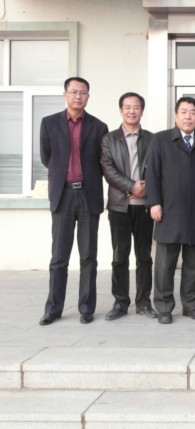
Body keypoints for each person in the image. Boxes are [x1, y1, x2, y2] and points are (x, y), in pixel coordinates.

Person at [39, 77, 108, 325]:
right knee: (59, 256)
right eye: (74, 92)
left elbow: (102, 162)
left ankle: (86, 308)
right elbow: (47, 158)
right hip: (63, 195)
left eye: (83, 92)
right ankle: (53, 308)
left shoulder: (99, 127)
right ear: (65, 95)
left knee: (88, 256)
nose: (78, 96)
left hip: (89, 195)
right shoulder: (49, 123)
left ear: (88, 96)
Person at [145, 97, 195, 324]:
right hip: (169, 211)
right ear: (175, 115)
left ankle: (191, 305)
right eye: (183, 112)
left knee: (194, 265)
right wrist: (154, 202)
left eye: (193, 112)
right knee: (165, 265)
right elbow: (152, 173)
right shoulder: (161, 139)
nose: (188, 116)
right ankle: (164, 307)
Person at [100, 92, 157, 320]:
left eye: (136, 107)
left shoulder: (152, 139)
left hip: (144, 207)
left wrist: (146, 187)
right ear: (120, 110)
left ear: (142, 111)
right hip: (119, 207)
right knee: (119, 257)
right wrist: (131, 186)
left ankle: (143, 302)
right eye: (127, 107)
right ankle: (120, 302)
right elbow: (108, 170)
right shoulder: (109, 139)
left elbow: (159, 168)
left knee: (144, 257)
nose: (132, 111)